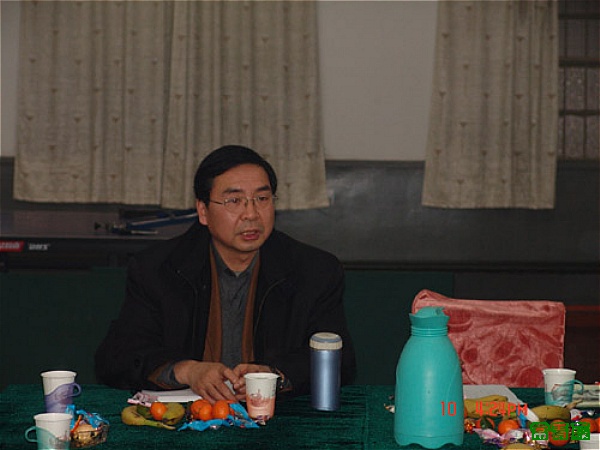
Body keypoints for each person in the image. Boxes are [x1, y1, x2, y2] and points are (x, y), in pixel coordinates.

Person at [95, 145, 356, 403]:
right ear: (203, 211)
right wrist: (188, 371)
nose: (251, 214)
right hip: (186, 420)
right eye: (234, 201)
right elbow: (118, 358)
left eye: (262, 199)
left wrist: (273, 376)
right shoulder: (158, 269)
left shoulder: (313, 270)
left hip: (277, 419)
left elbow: (341, 362)